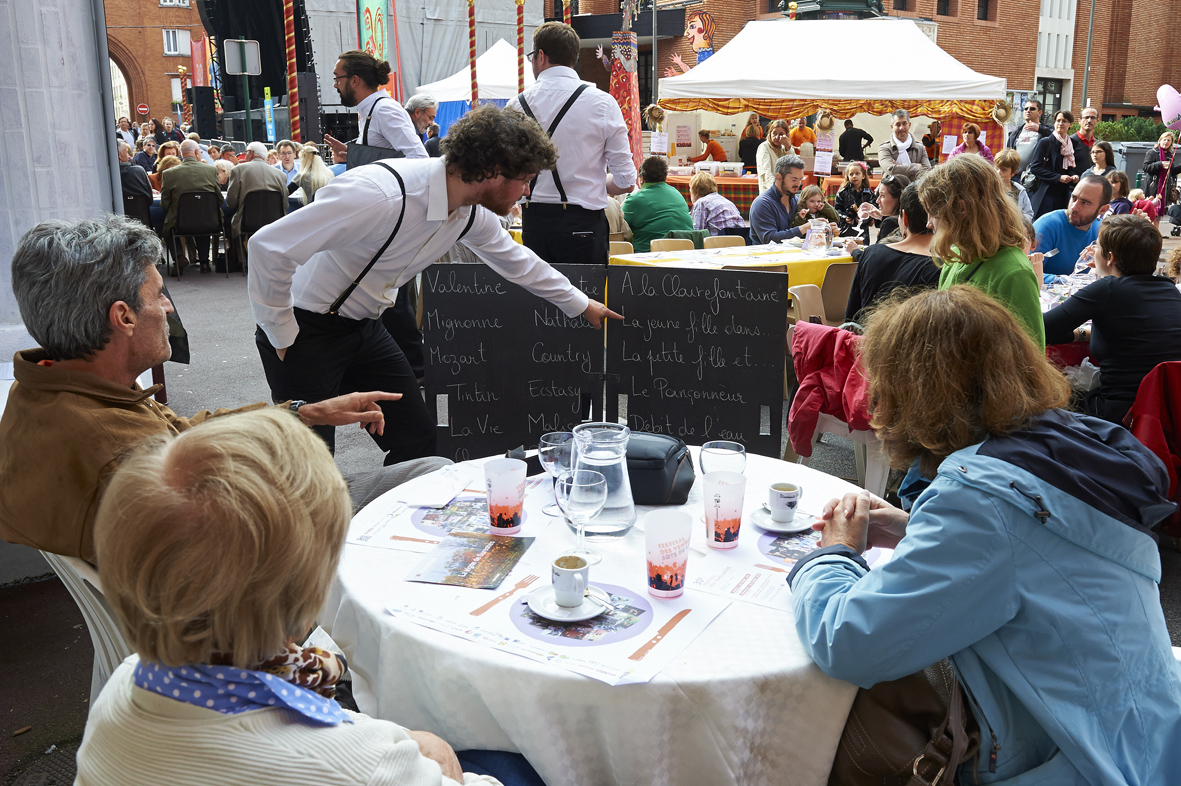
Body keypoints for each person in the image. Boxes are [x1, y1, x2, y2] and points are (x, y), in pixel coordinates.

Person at [790, 284, 1181, 786]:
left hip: (1078, 762)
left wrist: (834, 555)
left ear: (913, 393)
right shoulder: (1057, 444)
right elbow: (1039, 551)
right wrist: (912, 528)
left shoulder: (979, 500)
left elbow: (848, 643)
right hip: (1146, 737)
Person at [76, 407, 540, 786]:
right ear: (310, 589)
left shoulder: (125, 686)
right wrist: (426, 752)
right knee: (521, 756)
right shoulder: (366, 765)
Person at [0, 215, 445, 563]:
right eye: (158, 296)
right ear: (124, 317)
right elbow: (226, 545)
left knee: (429, 473)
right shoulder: (116, 448)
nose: (169, 307)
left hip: (231, 535)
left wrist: (304, 415)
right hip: (263, 558)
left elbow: (186, 436)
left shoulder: (50, 388)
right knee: (435, 478)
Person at [248, 105, 621, 465]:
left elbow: (517, 261)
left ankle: (394, 526)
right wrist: (282, 335)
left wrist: (582, 304)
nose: (526, 191)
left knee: (418, 439)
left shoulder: (468, 212)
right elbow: (269, 247)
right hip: (304, 329)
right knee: (305, 460)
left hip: (366, 327)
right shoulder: (382, 194)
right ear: (492, 171)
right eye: (525, 179)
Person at [508, 22, 635, 267]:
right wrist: (596, 183)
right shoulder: (603, 103)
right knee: (586, 301)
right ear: (573, 58)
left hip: (535, 224)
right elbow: (626, 180)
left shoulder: (516, 105)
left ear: (541, 56)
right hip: (584, 224)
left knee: (539, 304)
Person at [1043, 214, 1181, 423]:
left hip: (1119, 416)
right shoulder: (1168, 290)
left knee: (1045, 399)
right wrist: (1081, 334)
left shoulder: (1106, 290)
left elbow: (1039, 328)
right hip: (1167, 413)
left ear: (1111, 258)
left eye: (1096, 246)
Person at [919, 154, 1044, 348]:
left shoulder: (1014, 273)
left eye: (934, 213)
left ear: (961, 209)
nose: (928, 223)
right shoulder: (956, 254)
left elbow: (1031, 357)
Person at [844, 183, 938, 323]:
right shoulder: (938, 267)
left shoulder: (872, 253)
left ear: (904, 217)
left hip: (864, 341)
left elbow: (851, 317)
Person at [324, 51, 427, 164]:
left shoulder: (384, 110)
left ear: (354, 80)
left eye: (337, 78)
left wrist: (359, 156)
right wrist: (353, 154)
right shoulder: (372, 110)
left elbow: (419, 158)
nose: (335, 85)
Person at [160, 140, 223, 273]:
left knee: (167, 226)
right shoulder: (211, 170)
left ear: (181, 154)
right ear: (196, 152)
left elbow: (165, 203)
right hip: (209, 221)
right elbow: (219, 198)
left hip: (180, 221)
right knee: (203, 219)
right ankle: (205, 262)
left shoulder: (169, 174)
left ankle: (179, 257)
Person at [1032, 174, 1111, 277]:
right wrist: (1069, 282)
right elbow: (1026, 272)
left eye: (1085, 203)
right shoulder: (1047, 225)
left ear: (1103, 210)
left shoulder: (1101, 230)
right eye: (1073, 198)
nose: (1074, 207)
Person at [621, 156, 693, 252]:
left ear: (641, 178)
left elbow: (620, 227)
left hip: (648, 256)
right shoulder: (677, 193)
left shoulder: (635, 199)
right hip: (684, 253)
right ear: (665, 176)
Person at [225, 141, 288, 244]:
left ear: (250, 153)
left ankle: (239, 256)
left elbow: (231, 202)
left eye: (246, 153)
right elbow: (285, 204)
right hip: (275, 222)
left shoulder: (238, 170)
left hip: (247, 222)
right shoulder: (280, 175)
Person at [1029, 110, 1088, 219]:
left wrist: (1073, 176)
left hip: (1063, 194)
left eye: (1064, 121)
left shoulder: (1072, 144)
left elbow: (1069, 167)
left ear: (1070, 124)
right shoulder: (1045, 142)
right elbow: (1035, 168)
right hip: (1045, 193)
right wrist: (1058, 177)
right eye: (1058, 120)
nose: (1060, 123)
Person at [749, 154, 807, 244]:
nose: (798, 184)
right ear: (779, 177)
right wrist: (803, 228)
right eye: (794, 179)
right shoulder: (762, 204)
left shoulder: (796, 201)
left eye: (800, 179)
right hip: (765, 256)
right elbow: (769, 239)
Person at [857, 172, 910, 244]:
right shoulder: (911, 220)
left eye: (882, 195)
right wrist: (880, 216)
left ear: (899, 198)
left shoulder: (890, 222)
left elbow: (878, 253)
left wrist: (855, 250)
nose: (877, 201)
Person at [688, 172, 744, 236]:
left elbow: (697, 233)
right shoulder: (728, 202)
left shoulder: (701, 203)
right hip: (739, 242)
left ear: (696, 193)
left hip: (718, 243)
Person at [876, 110, 931, 174]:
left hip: (916, 184)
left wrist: (898, 168)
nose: (901, 128)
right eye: (898, 124)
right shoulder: (884, 148)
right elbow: (891, 170)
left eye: (904, 123)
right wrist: (916, 167)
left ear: (909, 125)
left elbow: (927, 171)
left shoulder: (920, 148)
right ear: (892, 127)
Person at [833, 162, 875, 240]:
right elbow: (836, 211)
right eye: (851, 174)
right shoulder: (842, 193)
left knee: (861, 248)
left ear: (863, 176)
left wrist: (865, 219)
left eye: (857, 173)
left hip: (862, 230)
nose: (854, 176)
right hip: (845, 229)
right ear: (847, 177)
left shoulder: (868, 194)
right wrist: (845, 218)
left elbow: (873, 210)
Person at [1142, 130, 1181, 212]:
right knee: (1150, 211)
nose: (1166, 142)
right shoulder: (1152, 153)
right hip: (1153, 187)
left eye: (1169, 140)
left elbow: (1172, 172)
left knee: (1159, 215)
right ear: (1160, 140)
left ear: (1171, 143)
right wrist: (1160, 164)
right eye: (1164, 139)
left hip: (1165, 189)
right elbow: (1145, 167)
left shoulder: (1170, 155)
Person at [994, 148, 1034, 220]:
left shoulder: (1020, 191)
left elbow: (1029, 213)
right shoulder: (989, 188)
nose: (998, 172)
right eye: (996, 168)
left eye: (1004, 170)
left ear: (1013, 173)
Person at [756, 119, 792, 193]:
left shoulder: (783, 148)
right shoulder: (764, 147)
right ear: (770, 133)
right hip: (770, 194)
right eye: (774, 133)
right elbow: (766, 173)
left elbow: (794, 165)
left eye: (781, 134)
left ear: (787, 135)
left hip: (783, 193)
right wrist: (777, 189)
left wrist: (788, 147)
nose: (777, 137)